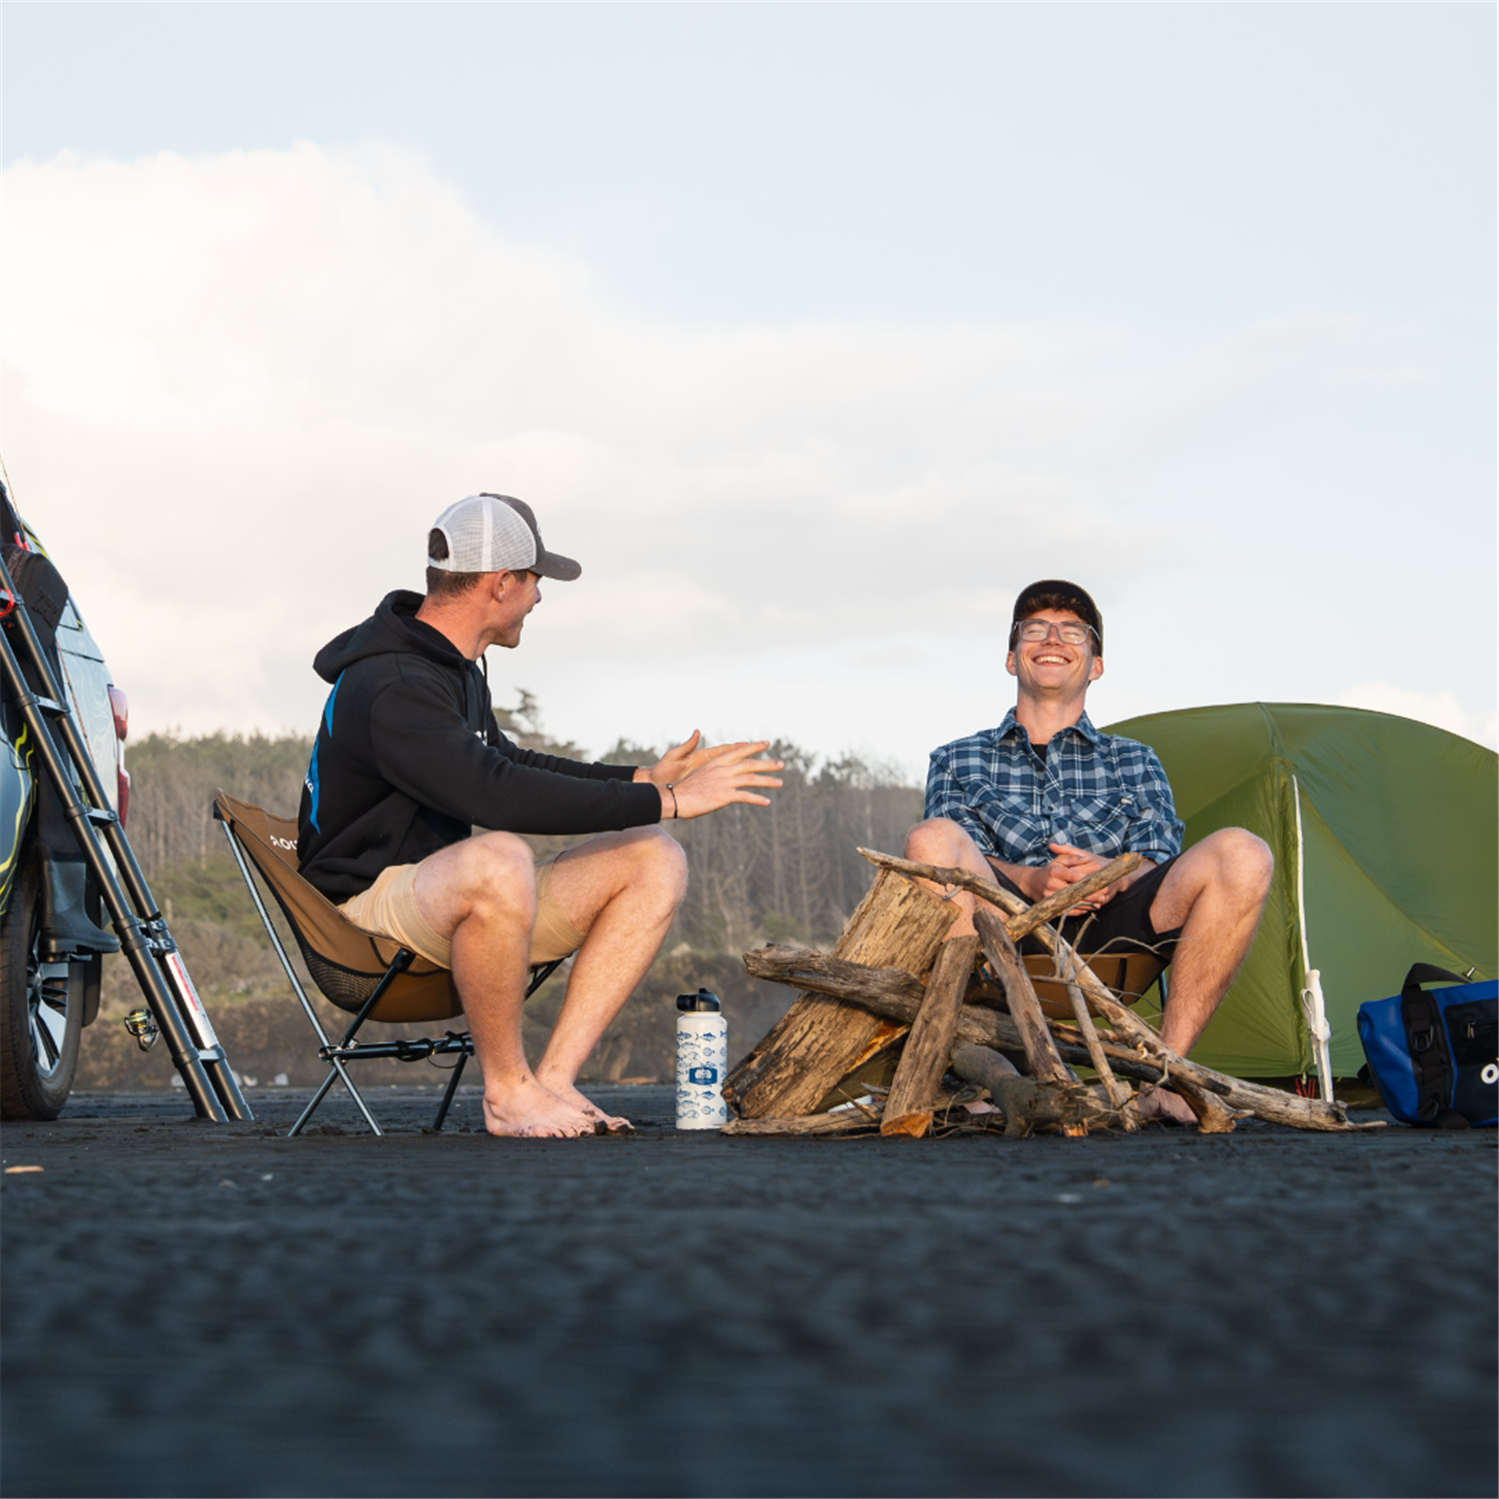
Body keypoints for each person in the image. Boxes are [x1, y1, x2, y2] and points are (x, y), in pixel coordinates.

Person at [298, 493, 783, 1138]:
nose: (539, 597)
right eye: (534, 581)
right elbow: (490, 791)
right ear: (502, 583)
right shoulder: (393, 682)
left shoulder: (455, 667)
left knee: (652, 856)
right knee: (499, 857)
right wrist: (669, 801)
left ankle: (550, 1081)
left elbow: (502, 758)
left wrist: (642, 782)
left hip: (438, 901)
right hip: (363, 922)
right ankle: (506, 1093)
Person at [905, 579, 1272, 1123]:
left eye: (1073, 630)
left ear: (1095, 664)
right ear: (1012, 659)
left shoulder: (1136, 760)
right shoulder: (957, 759)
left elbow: (1157, 852)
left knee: (1243, 852)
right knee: (928, 837)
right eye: (1035, 628)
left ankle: (1168, 1078)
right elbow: (954, 855)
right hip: (1003, 929)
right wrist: (1029, 882)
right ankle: (973, 1072)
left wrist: (1112, 875)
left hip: (1116, 933)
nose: (1053, 637)